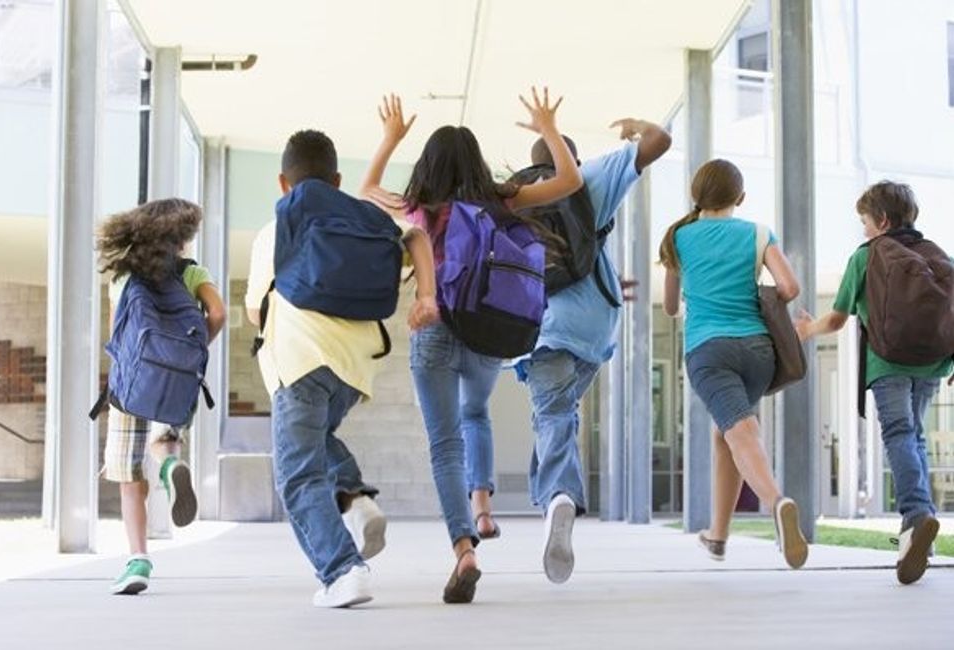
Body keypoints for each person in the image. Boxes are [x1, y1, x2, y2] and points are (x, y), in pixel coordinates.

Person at [360, 89, 582, 603]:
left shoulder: (420, 208)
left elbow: (368, 186)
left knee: (445, 446)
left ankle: (464, 548)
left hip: (435, 327)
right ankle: (485, 504)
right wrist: (549, 127)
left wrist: (391, 137)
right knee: (475, 412)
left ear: (429, 167)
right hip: (488, 331)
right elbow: (569, 181)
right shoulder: (501, 199)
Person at [245, 129, 439, 608]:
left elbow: (255, 311)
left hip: (300, 362)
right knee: (317, 442)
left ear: (282, 183)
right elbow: (414, 236)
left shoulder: (276, 229)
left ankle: (342, 571)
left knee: (298, 473)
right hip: (353, 370)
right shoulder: (364, 222)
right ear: (336, 179)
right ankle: (354, 496)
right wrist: (427, 294)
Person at [511, 117, 671, 583]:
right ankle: (553, 496)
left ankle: (559, 494)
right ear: (571, 159)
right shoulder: (589, 178)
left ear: (529, 166)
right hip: (595, 325)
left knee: (553, 414)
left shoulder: (515, 195)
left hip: (539, 324)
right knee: (558, 412)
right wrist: (635, 127)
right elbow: (660, 140)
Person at [796, 181, 950, 585]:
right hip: (932, 364)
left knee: (899, 435)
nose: (863, 230)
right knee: (914, 437)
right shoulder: (936, 254)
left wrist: (805, 330)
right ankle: (917, 534)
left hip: (888, 363)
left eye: (865, 221)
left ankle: (917, 518)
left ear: (881, 220)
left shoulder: (866, 256)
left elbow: (836, 319)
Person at [660, 158, 808, 570]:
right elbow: (789, 287)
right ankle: (718, 536)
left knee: (741, 431)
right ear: (740, 198)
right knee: (726, 433)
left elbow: (671, 307)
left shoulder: (679, 237)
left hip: (710, 350)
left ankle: (777, 503)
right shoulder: (758, 233)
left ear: (697, 195)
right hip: (759, 351)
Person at [96, 198, 227, 595]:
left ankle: (138, 560)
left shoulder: (123, 276)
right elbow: (218, 312)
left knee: (129, 476)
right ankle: (170, 467)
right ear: (181, 240)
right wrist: (193, 352)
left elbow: (122, 332)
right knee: (164, 440)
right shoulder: (191, 272)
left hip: (128, 385)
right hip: (176, 379)